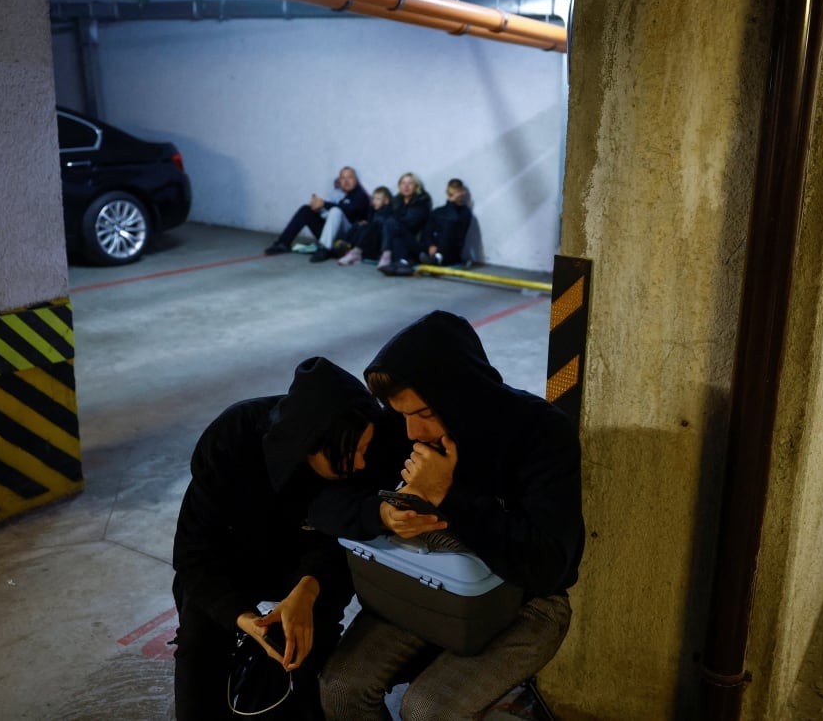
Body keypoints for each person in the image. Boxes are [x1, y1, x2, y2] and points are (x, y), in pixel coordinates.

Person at [313, 311, 585, 719]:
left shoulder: (540, 433)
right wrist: (382, 513)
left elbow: (550, 567)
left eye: (423, 414)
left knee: (427, 710)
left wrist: (448, 495)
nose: (412, 433)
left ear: (462, 396)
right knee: (340, 689)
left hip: (524, 601)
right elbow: (325, 502)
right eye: (402, 414)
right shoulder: (402, 427)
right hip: (425, 586)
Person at [171, 356, 407, 720]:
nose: (361, 464)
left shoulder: (371, 444)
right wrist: (242, 617)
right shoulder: (231, 440)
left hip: (313, 565)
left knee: (306, 669)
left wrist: (309, 587)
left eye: (365, 450)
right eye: (350, 454)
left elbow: (345, 541)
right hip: (231, 563)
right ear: (309, 443)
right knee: (198, 654)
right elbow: (193, 554)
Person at [264, 166, 370, 260]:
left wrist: (324, 204)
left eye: (350, 177)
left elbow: (348, 210)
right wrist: (317, 208)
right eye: (343, 178)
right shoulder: (336, 193)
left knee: (336, 211)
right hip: (330, 235)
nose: (346, 181)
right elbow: (326, 212)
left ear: (355, 180)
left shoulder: (360, 196)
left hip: (347, 237)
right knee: (306, 210)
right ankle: (283, 243)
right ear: (339, 181)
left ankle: (324, 249)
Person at [375, 172, 432, 274]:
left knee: (392, 224)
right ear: (399, 186)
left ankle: (387, 254)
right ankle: (402, 262)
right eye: (403, 183)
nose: (406, 186)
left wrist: (391, 223)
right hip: (401, 239)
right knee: (383, 225)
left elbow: (409, 224)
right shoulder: (397, 201)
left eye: (410, 183)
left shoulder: (421, 202)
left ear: (416, 186)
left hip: (416, 243)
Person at [417, 178, 473, 267]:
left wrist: (451, 203)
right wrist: (430, 245)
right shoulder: (438, 211)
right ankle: (433, 258)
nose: (454, 196)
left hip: (451, 252)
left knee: (450, 223)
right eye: (452, 193)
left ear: (463, 193)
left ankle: (439, 257)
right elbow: (427, 231)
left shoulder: (465, 213)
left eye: (456, 193)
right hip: (434, 248)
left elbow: (453, 221)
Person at [336, 186, 392, 266]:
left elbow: (380, 226)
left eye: (378, 199)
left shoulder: (387, 212)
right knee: (360, 225)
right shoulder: (373, 210)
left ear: (386, 201)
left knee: (370, 226)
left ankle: (356, 252)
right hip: (369, 243)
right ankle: (349, 248)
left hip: (379, 245)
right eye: (373, 198)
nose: (374, 201)